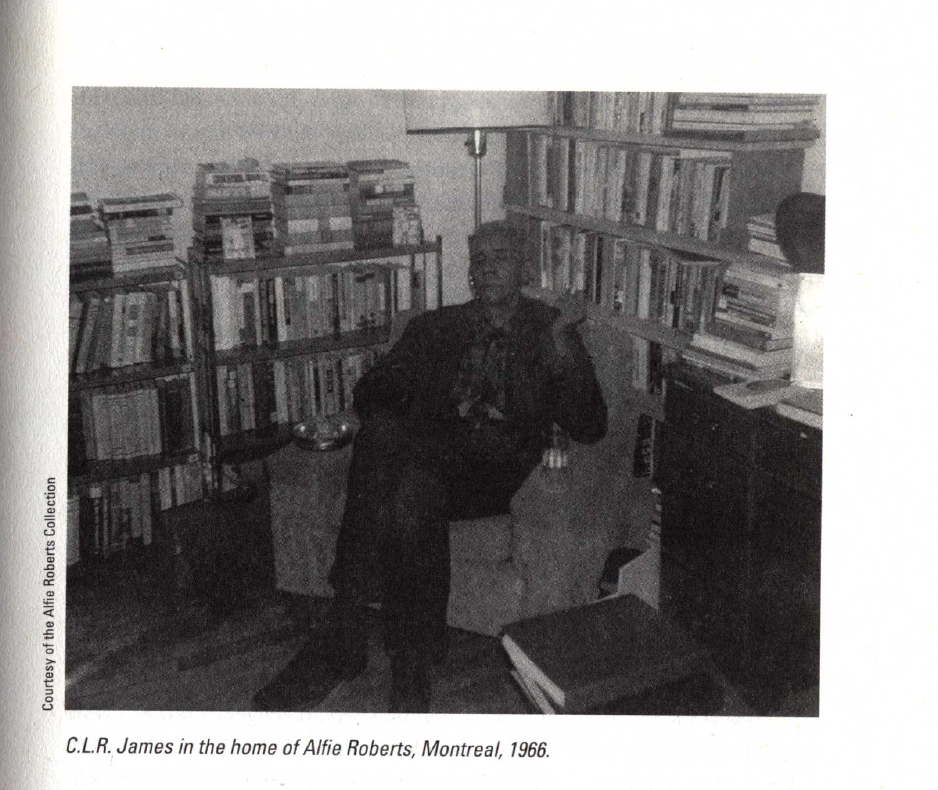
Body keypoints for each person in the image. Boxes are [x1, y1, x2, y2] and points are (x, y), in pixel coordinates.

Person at [252, 220, 607, 713]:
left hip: (495, 468)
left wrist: (564, 345)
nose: (487, 268)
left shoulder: (550, 330)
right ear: (470, 273)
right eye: (479, 259)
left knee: (400, 465)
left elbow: (590, 425)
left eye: (500, 256)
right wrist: (402, 391)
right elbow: (374, 390)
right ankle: (409, 666)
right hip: (429, 456)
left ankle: (344, 634)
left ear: (523, 268)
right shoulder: (436, 327)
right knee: (399, 468)